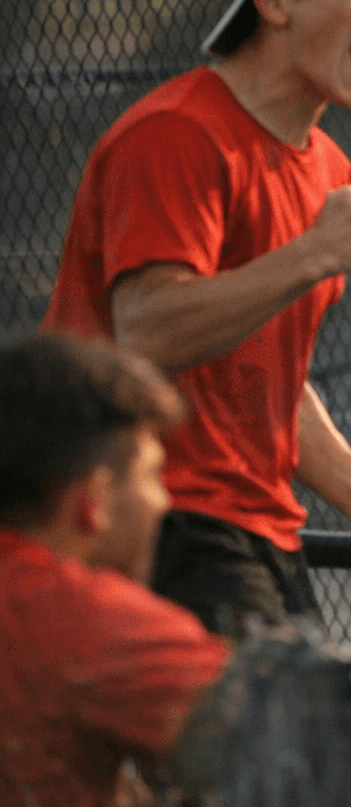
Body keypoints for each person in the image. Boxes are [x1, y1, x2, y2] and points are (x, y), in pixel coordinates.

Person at [40, 0, 351, 637]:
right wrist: (312, 254)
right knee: (281, 753)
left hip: (251, 529)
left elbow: (274, 386)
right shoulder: (174, 135)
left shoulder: (327, 168)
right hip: (144, 514)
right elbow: (149, 333)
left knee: (301, 747)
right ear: (273, 0)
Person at [1, 332, 230, 807]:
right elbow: (303, 748)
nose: (163, 502)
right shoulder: (85, 623)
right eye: (151, 474)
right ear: (95, 499)